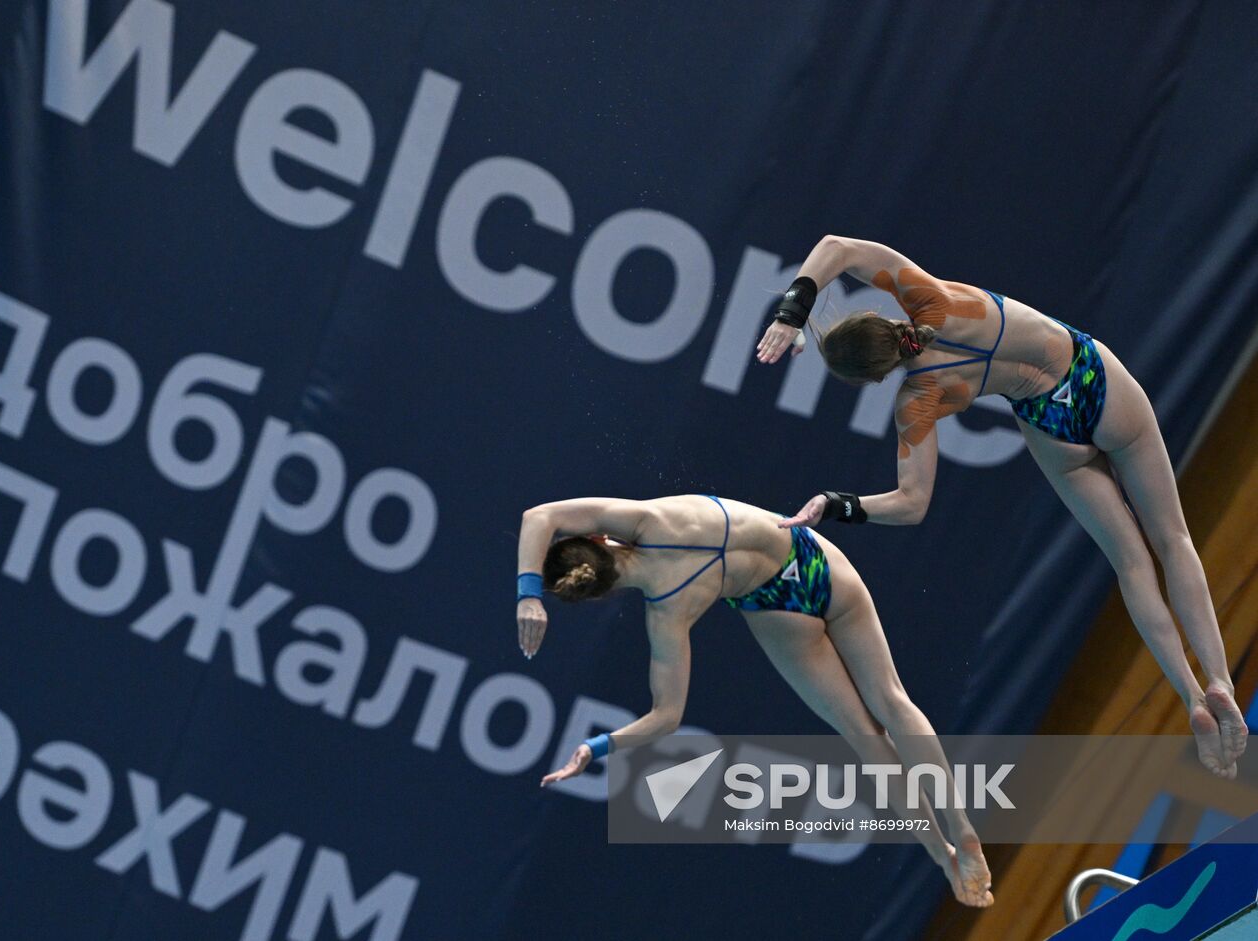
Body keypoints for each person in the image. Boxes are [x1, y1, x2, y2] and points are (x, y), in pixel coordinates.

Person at [754, 235, 1246, 778]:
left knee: (1130, 561)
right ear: (877, 319)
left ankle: (1191, 695)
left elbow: (912, 504)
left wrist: (836, 504)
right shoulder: (931, 299)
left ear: (875, 375)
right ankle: (1220, 679)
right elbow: (837, 248)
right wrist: (792, 313)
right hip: (1091, 377)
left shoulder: (919, 398)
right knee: (1172, 539)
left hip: (1051, 427)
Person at [515, 494, 993, 907]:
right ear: (599, 539)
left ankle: (943, 857)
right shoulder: (648, 520)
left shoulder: (667, 615)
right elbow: (540, 516)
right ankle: (961, 826)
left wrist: (596, 748)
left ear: (598, 593)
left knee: (864, 738)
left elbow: (666, 718)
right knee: (892, 700)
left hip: (777, 610)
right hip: (812, 562)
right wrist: (527, 597)